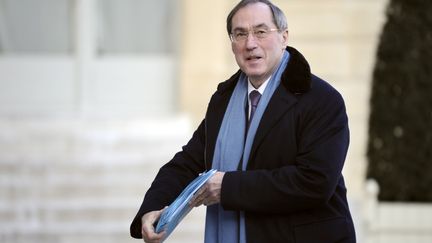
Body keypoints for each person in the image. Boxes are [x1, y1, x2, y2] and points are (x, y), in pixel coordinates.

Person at [130, 0, 356, 242]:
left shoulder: (321, 99)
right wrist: (153, 207)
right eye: (240, 34)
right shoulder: (223, 101)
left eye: (261, 31)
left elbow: (315, 182)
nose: (250, 44)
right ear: (232, 44)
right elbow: (188, 162)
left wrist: (228, 187)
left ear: (284, 36)